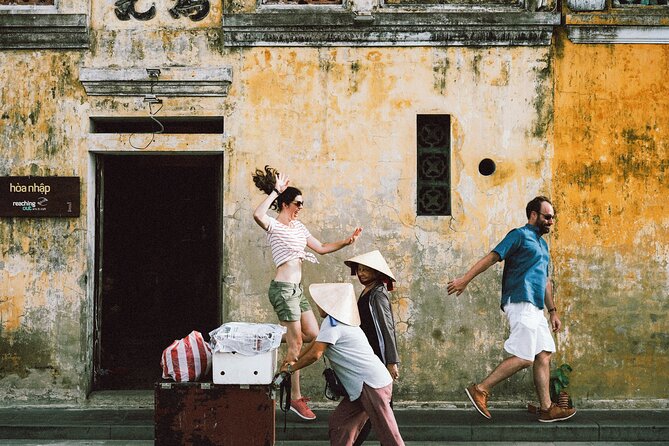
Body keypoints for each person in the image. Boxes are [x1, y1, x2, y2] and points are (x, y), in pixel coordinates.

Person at [446, 196, 576, 423]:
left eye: (553, 218)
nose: (550, 222)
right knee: (525, 357)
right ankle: (481, 389)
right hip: (519, 300)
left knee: (543, 354)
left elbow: (545, 280)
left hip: (536, 308)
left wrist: (553, 311)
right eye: (547, 217)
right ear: (533, 215)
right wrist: (465, 279)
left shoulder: (543, 245)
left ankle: (547, 408)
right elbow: (492, 257)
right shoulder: (518, 235)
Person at [252, 166, 362, 420]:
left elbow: (321, 248)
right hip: (282, 290)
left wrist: (346, 242)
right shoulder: (274, 226)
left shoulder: (298, 227)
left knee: (313, 333)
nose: (301, 207)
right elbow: (258, 214)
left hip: (296, 291)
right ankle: (294, 397)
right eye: (298, 203)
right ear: (285, 203)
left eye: (303, 203)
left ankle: (265, 338)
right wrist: (275, 192)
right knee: (296, 344)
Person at [280, 283, 405, 446]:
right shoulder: (332, 322)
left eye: (321, 302)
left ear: (330, 305)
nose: (318, 306)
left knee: (389, 435)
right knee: (340, 424)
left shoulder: (334, 324)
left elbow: (315, 354)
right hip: (362, 387)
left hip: (372, 385)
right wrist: (293, 360)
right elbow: (314, 345)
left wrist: (290, 369)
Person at [344, 250, 400, 446]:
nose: (361, 274)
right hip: (367, 354)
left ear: (377, 273)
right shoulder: (367, 291)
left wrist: (391, 361)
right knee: (373, 407)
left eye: (367, 270)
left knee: (382, 408)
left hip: (378, 356)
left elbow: (387, 328)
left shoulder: (378, 295)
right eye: (359, 269)